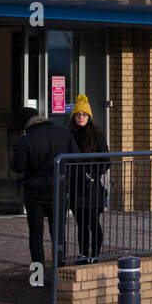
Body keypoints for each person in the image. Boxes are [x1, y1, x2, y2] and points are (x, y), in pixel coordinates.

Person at [10, 106, 77, 267]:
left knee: (35, 234)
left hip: (34, 193)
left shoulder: (26, 139)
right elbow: (76, 158)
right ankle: (59, 273)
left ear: (25, 124)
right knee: (58, 233)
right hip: (58, 189)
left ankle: (38, 276)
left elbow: (18, 167)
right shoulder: (63, 133)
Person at [67, 95, 109, 262]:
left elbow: (106, 160)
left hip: (91, 186)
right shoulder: (70, 134)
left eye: (84, 114)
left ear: (89, 116)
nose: (81, 117)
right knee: (81, 224)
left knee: (92, 222)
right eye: (78, 114)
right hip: (76, 185)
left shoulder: (96, 133)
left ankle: (95, 255)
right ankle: (84, 254)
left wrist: (93, 174)